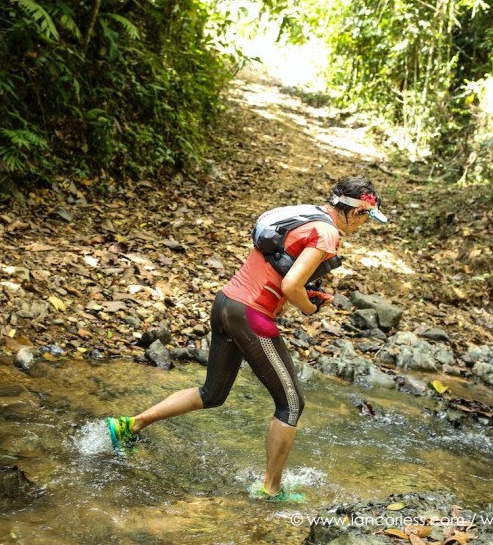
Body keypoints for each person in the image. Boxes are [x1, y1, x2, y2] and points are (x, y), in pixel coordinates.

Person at [105, 176, 387, 502]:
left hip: (226, 303)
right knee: (292, 403)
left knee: (213, 393)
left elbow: (279, 269)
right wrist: (309, 307)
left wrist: (303, 292)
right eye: (366, 216)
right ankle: (270, 490)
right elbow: (290, 285)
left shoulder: (306, 214)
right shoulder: (327, 233)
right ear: (355, 211)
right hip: (251, 316)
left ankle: (129, 426)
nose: (364, 224)